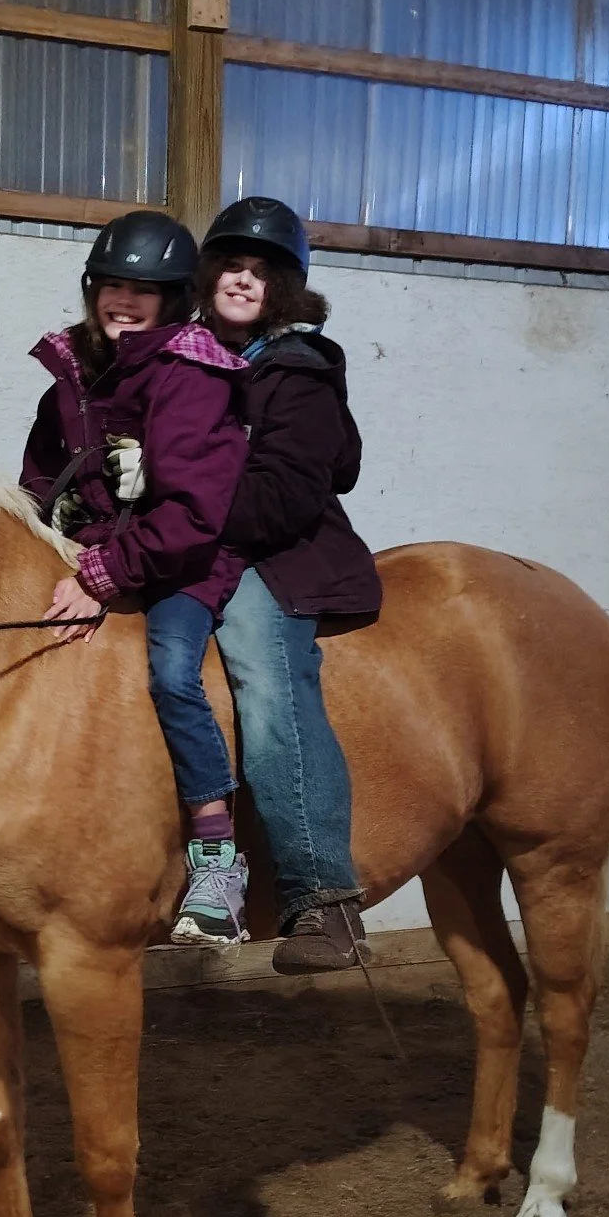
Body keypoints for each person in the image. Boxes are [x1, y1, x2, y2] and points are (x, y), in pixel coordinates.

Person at [22, 210, 255, 947]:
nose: (124, 300)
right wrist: (46, 525)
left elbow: (192, 516)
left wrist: (101, 574)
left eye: (143, 290)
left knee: (172, 673)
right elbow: (34, 478)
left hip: (179, 566)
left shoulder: (192, 373)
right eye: (112, 285)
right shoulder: (69, 375)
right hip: (97, 556)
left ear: (174, 299)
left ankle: (217, 861)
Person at [199, 197, 382, 974]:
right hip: (193, 546)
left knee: (263, 671)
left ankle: (324, 898)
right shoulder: (189, 360)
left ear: (284, 288)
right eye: (229, 267)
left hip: (272, 556)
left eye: (259, 270)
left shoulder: (298, 373)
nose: (241, 280)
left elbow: (282, 501)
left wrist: (182, 507)